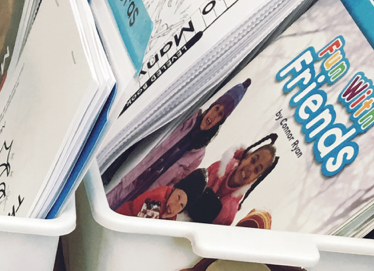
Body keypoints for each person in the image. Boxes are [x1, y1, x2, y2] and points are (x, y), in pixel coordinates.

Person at [105, 81, 249, 209]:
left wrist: (156, 198)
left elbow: (175, 183)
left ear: (220, 122)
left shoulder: (198, 154)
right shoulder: (186, 117)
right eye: (216, 108)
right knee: (105, 200)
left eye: (220, 115)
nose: (214, 115)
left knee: (123, 213)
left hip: (148, 190)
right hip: (132, 174)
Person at [192, 136, 279, 226]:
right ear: (245, 158)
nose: (250, 168)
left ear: (254, 180)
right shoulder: (217, 168)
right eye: (252, 160)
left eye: (256, 170)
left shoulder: (230, 210)